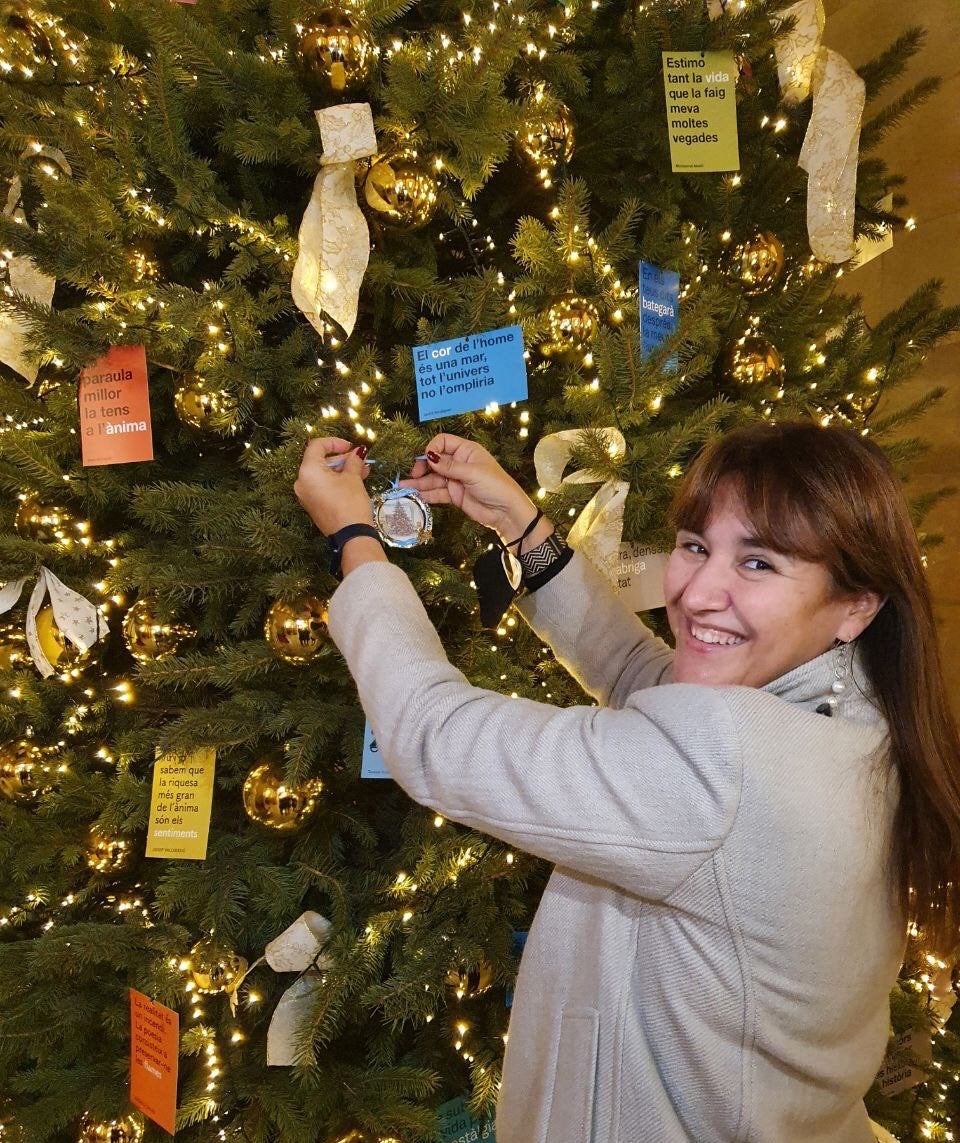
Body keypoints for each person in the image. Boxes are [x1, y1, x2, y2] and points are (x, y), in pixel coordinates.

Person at [294, 421, 960, 1143]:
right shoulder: (861, 712)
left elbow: (433, 732)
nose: (700, 593)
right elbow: (646, 675)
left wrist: (354, 541)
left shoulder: (729, 767)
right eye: (697, 546)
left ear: (855, 604)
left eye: (760, 563)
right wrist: (520, 524)